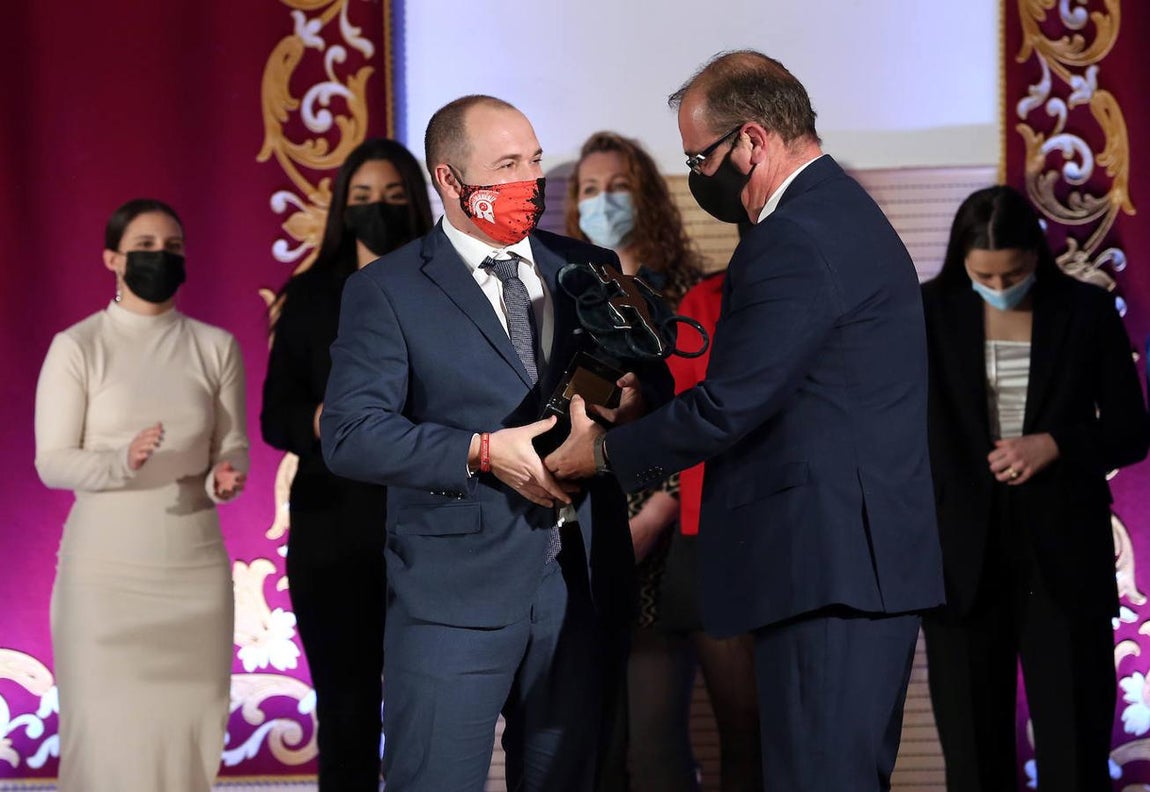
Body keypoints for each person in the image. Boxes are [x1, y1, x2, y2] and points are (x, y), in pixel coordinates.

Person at [545, 50, 945, 791]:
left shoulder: (796, 234)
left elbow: (731, 404)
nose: (698, 176)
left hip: (827, 571)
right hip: (843, 566)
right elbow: (777, 388)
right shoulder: (833, 213)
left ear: (753, 140)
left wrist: (598, 457)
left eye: (700, 158)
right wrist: (648, 404)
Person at [319, 95, 671, 792]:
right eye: (507, 166)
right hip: (453, 597)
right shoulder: (386, 290)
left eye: (534, 161)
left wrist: (630, 400)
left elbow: (650, 386)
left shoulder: (587, 265)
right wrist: (480, 450)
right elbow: (351, 433)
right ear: (450, 180)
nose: (529, 182)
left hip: (581, 585)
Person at [919, 185, 1150, 792]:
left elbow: (1132, 432)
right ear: (962, 261)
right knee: (973, 762)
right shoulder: (924, 313)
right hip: (959, 562)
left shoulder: (1085, 310)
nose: (1000, 286)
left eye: (1015, 273)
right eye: (985, 276)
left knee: (1075, 754)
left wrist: (1056, 444)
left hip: (1064, 560)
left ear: (1037, 258)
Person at [565, 131, 760, 792]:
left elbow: (700, 416)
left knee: (656, 746)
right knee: (596, 746)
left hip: (671, 540)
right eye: (590, 190)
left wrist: (659, 510)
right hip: (586, 533)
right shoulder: (565, 295)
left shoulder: (688, 298)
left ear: (647, 196)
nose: (603, 202)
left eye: (618, 187)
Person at [34, 198, 249, 791]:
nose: (161, 257)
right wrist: (119, 460)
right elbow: (52, 462)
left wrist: (226, 475)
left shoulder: (215, 346)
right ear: (112, 259)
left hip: (193, 568)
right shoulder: (78, 346)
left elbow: (232, 444)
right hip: (104, 575)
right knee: (104, 732)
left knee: (186, 732)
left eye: (172, 247)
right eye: (146, 247)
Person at [260, 138, 433, 790]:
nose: (377, 209)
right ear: (341, 207)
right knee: (346, 709)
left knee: (432, 709)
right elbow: (275, 416)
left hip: (432, 524)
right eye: (362, 197)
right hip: (333, 531)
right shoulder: (309, 296)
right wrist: (332, 417)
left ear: (414, 202)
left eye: (391, 196)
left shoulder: (449, 288)